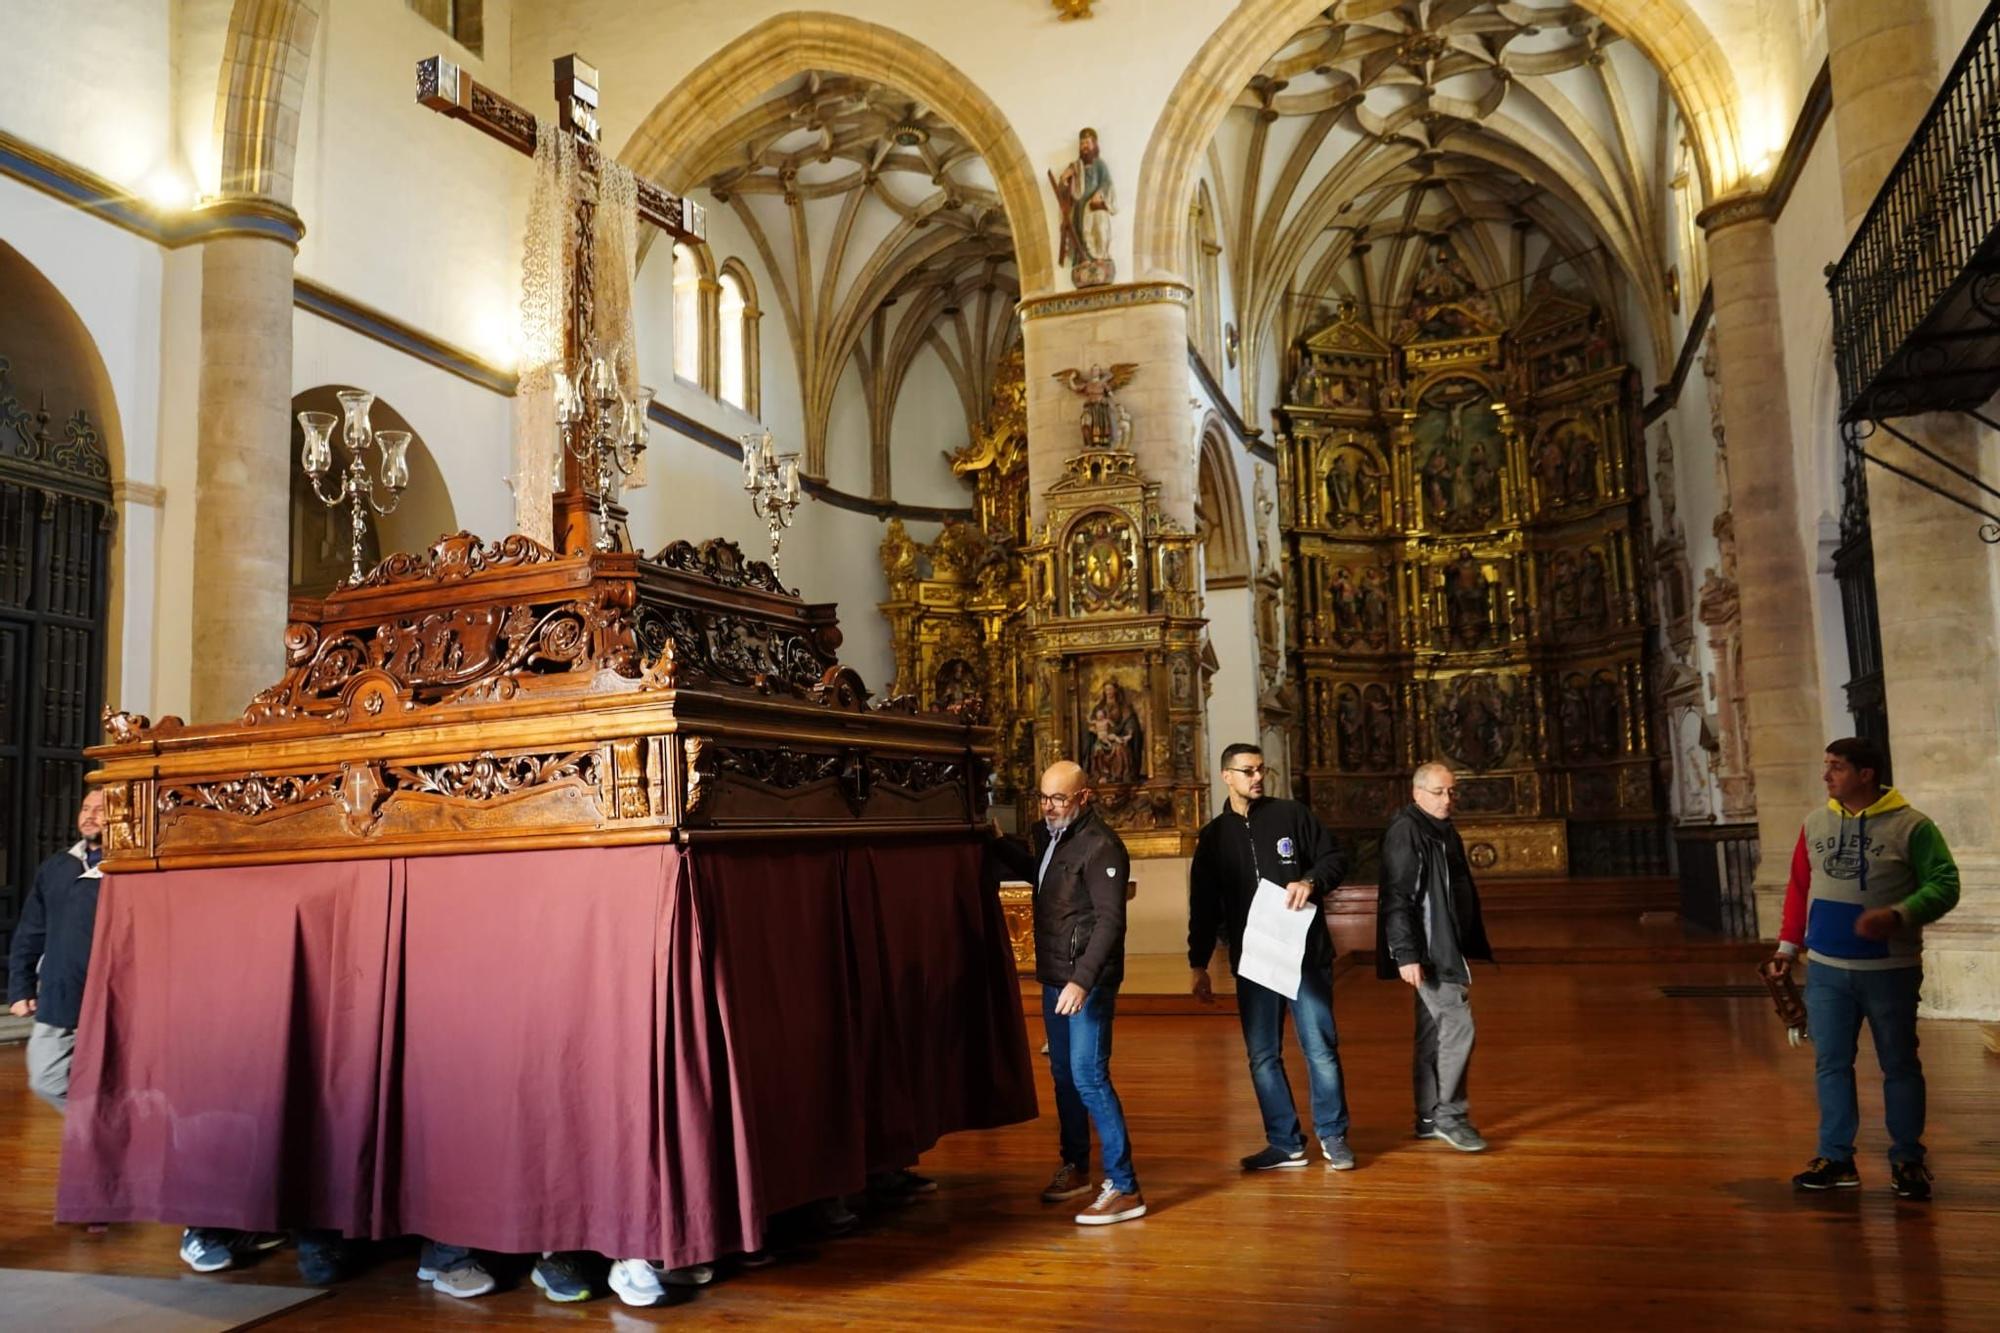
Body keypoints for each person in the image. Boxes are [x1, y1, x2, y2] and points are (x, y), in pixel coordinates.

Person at [1764, 737, 1960, 1202]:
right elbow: (1798, 886)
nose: (1826, 776)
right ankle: (1835, 1157)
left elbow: (1945, 884)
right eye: (1826, 765)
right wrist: (1787, 947)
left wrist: (1899, 914)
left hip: (1890, 968)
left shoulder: (1913, 826)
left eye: (1836, 767)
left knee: (1899, 1064)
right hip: (1827, 969)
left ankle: (1908, 1159)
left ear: (1865, 773)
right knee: (1831, 1063)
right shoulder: (1815, 822)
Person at [990, 760, 1144, 1225]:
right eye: (1043, 797)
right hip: (1056, 977)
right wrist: (997, 842)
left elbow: (1110, 922)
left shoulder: (1102, 846)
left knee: (1089, 1076)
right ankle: (1076, 1167)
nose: (1049, 807)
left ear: (1084, 797)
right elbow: (1037, 873)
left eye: (1059, 799)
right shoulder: (1050, 835)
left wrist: (1083, 980)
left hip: (1085, 982)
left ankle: (1125, 1186)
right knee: (1064, 1076)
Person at [1188, 745, 1352, 1171]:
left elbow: (1336, 858)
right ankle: (1285, 1142)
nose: (1257, 777)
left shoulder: (1291, 815)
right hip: (1255, 960)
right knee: (1262, 1054)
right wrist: (1198, 963)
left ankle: (1333, 1136)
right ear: (1227, 776)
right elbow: (1203, 904)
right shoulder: (1214, 836)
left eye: (1262, 769)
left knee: (1320, 1048)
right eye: (1248, 771)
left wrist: (1311, 880)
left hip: (1304, 954)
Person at [1377, 761, 1493, 1152]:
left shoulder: (1441, 829)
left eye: (1451, 791)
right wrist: (1407, 954)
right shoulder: (1407, 831)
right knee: (1459, 1025)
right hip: (1428, 950)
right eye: (1439, 792)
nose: (1448, 799)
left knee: (1433, 1033)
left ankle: (1429, 1117)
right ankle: (1450, 1115)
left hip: (1444, 945)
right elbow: (1398, 896)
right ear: (1417, 793)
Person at [9, 786, 107, 1111]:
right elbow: (30, 932)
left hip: (109, 996)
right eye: (85, 808)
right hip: (59, 991)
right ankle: (102, 1131)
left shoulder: (129, 870)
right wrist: (20, 987)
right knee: (46, 1078)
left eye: (100, 809)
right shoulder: (56, 867)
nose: (90, 815)